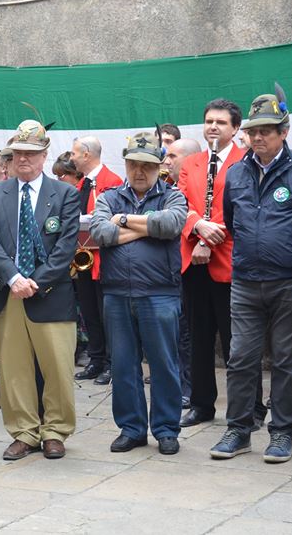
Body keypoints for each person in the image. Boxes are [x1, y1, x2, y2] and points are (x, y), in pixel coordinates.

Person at [209, 88, 292, 463]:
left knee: (287, 361)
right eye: (253, 131)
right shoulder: (236, 174)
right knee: (241, 358)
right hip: (246, 280)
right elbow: (234, 222)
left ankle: (282, 432)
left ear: (284, 132)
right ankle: (239, 429)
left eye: (266, 130)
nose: (258, 137)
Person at [0, 120, 80, 460]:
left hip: (50, 292)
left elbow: (66, 246)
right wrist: (13, 278)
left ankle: (55, 431)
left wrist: (37, 280)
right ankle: (24, 432)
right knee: (13, 369)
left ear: (44, 155)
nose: (23, 159)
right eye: (18, 153)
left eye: (31, 153)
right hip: (7, 292)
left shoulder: (65, 194)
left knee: (58, 368)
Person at [91, 131, 187, 455]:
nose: (139, 171)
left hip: (160, 293)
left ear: (159, 166)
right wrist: (147, 227)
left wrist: (123, 221)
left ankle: (166, 429)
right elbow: (99, 232)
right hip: (117, 293)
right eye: (133, 164)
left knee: (164, 365)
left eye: (146, 165)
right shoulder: (108, 197)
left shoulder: (173, 196)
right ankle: (131, 429)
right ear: (126, 165)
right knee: (123, 365)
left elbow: (171, 225)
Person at [178, 99, 254, 429]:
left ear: (235, 129)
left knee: (239, 341)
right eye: (209, 121)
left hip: (230, 260)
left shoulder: (246, 160)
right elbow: (180, 201)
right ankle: (201, 404)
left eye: (221, 122)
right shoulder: (191, 163)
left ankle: (250, 407)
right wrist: (196, 226)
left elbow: (243, 207)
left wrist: (208, 240)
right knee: (199, 337)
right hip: (194, 260)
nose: (213, 127)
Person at [71, 136, 123, 386]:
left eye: (74, 153)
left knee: (107, 314)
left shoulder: (112, 181)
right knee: (89, 312)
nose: (71, 158)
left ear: (86, 154)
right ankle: (96, 358)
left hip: (104, 260)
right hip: (84, 260)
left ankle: (112, 363)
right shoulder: (81, 183)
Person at [164, 137, 201, 408]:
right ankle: (177, 384)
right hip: (166, 271)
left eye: (172, 156)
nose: (166, 162)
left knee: (188, 334)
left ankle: (190, 388)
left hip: (192, 270)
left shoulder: (196, 190)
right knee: (175, 333)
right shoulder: (167, 189)